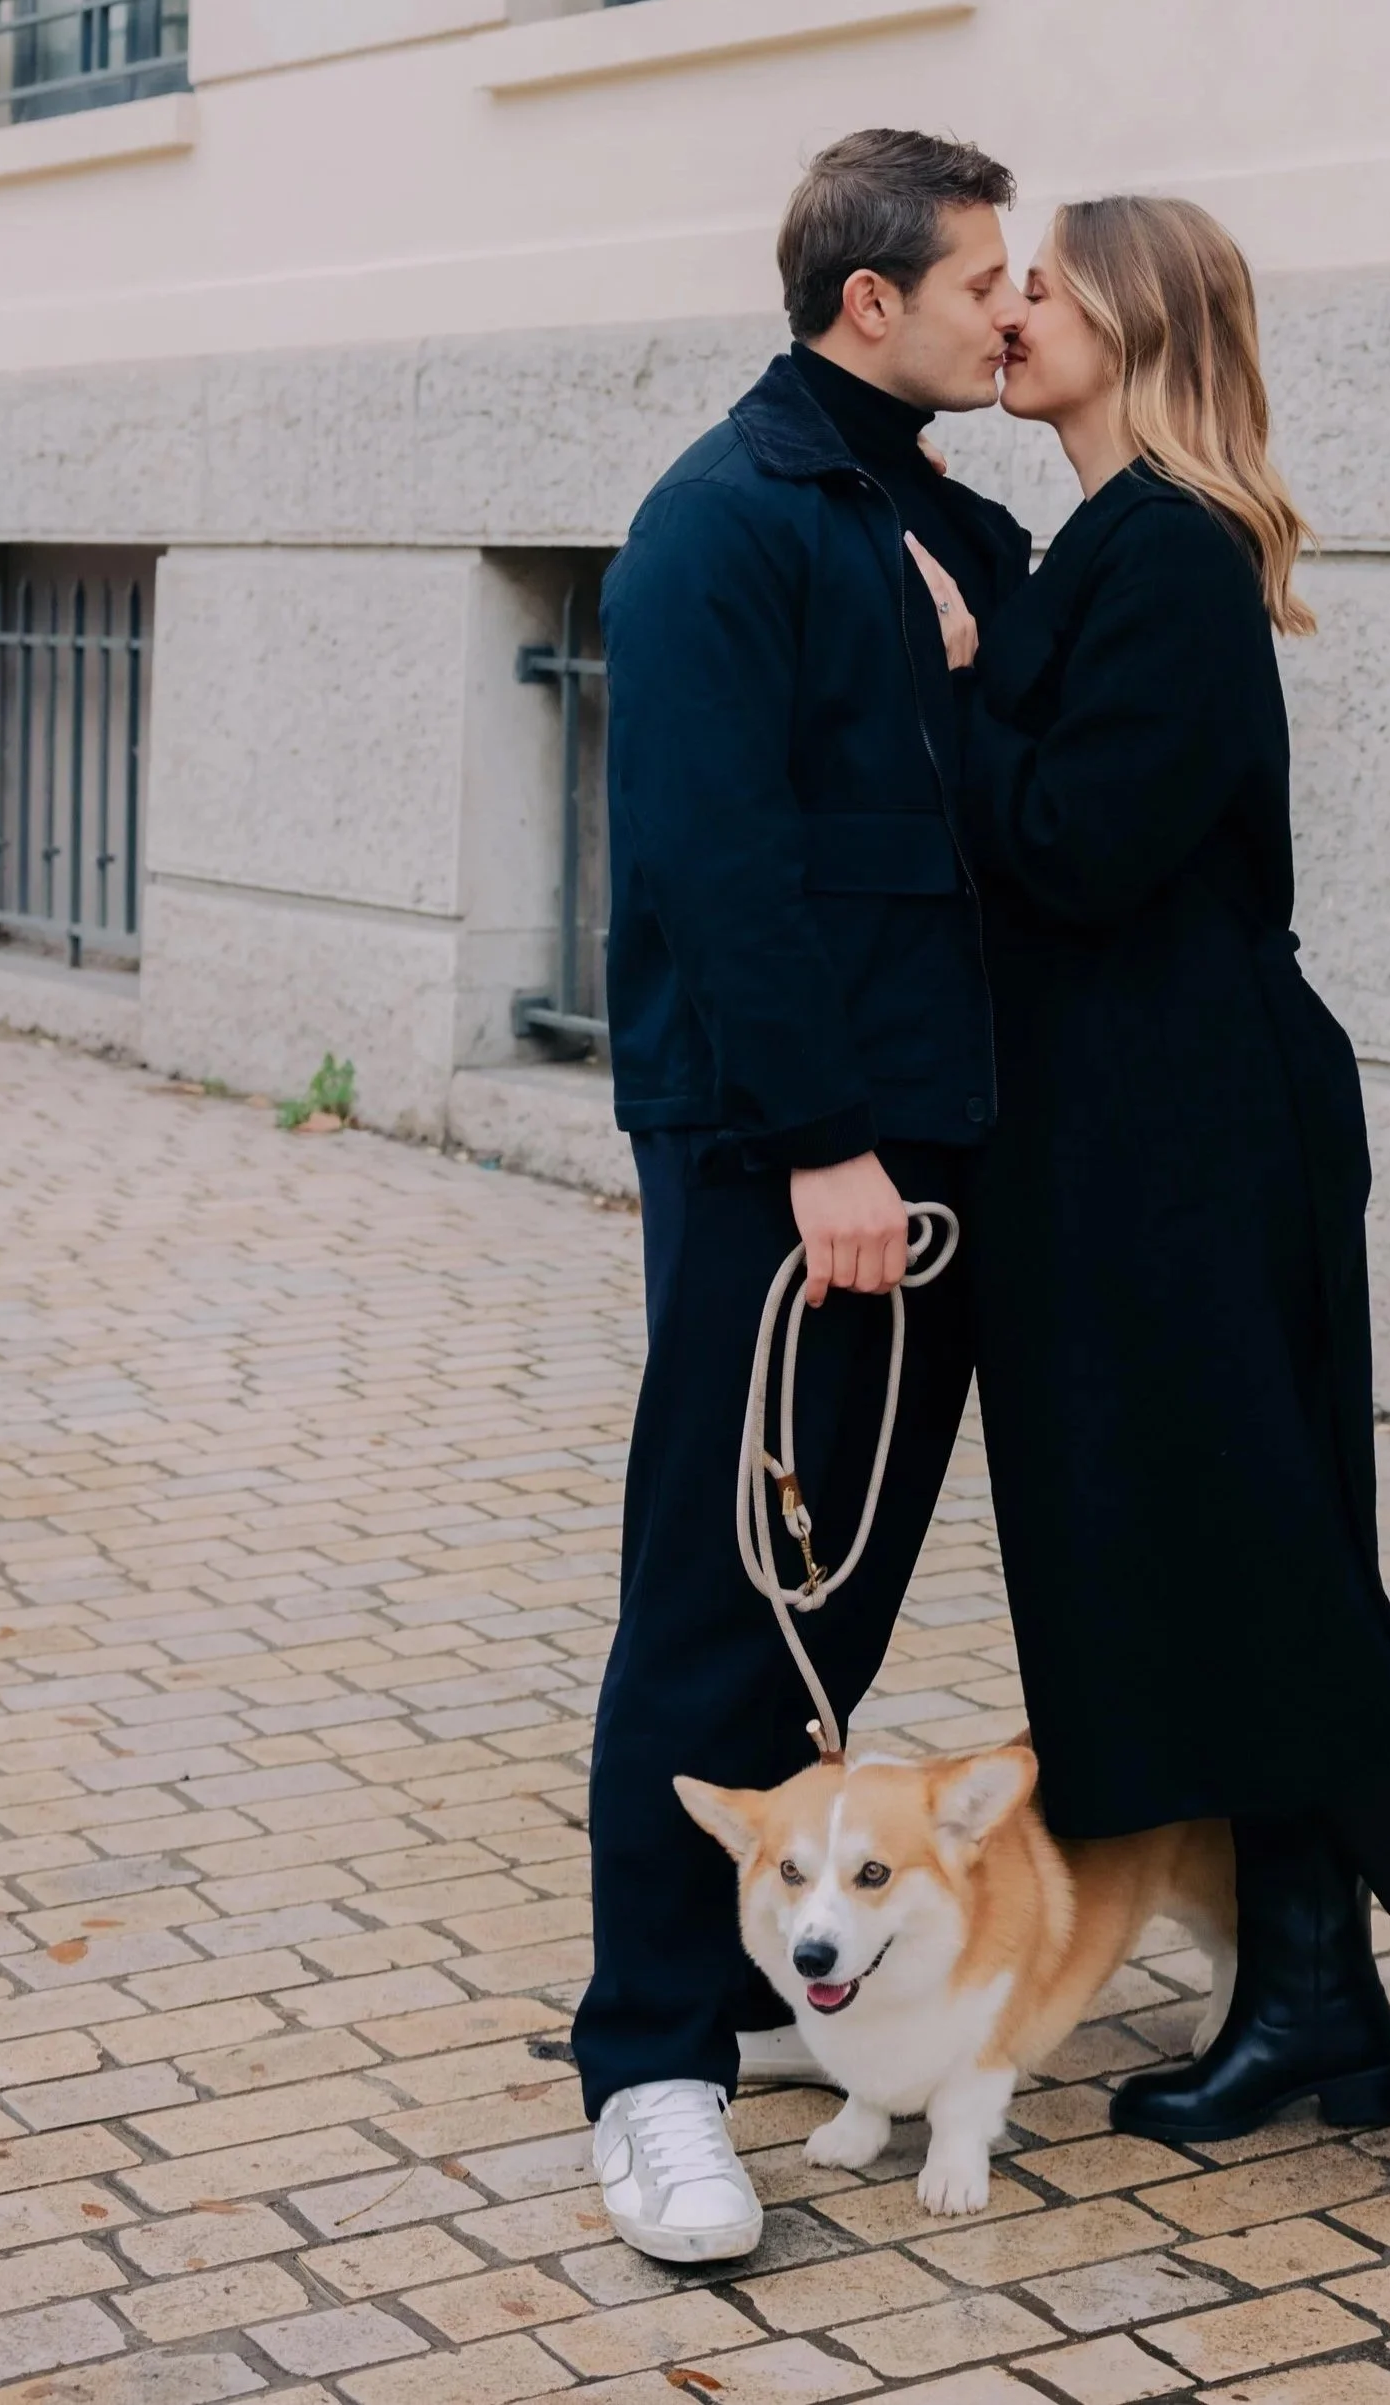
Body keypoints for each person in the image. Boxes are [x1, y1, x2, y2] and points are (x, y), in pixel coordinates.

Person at [906, 196, 1390, 2160]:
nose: (1009, 308)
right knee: (1198, 1553)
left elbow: (1070, 850)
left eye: (1042, 283)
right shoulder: (1106, 541)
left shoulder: (1170, 556)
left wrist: (964, 678)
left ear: (1133, 326)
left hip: (1190, 1135)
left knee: (1247, 1548)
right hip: (1117, 1129)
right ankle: (1311, 1993)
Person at [571, 129, 1030, 2261]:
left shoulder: (935, 517)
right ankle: (649, 2059)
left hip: (920, 1136)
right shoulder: (720, 523)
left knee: (833, 1591)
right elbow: (711, 861)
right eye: (977, 282)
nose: (1004, 313)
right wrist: (822, 1143)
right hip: (792, 1150)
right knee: (718, 1588)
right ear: (873, 302)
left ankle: (768, 1970)